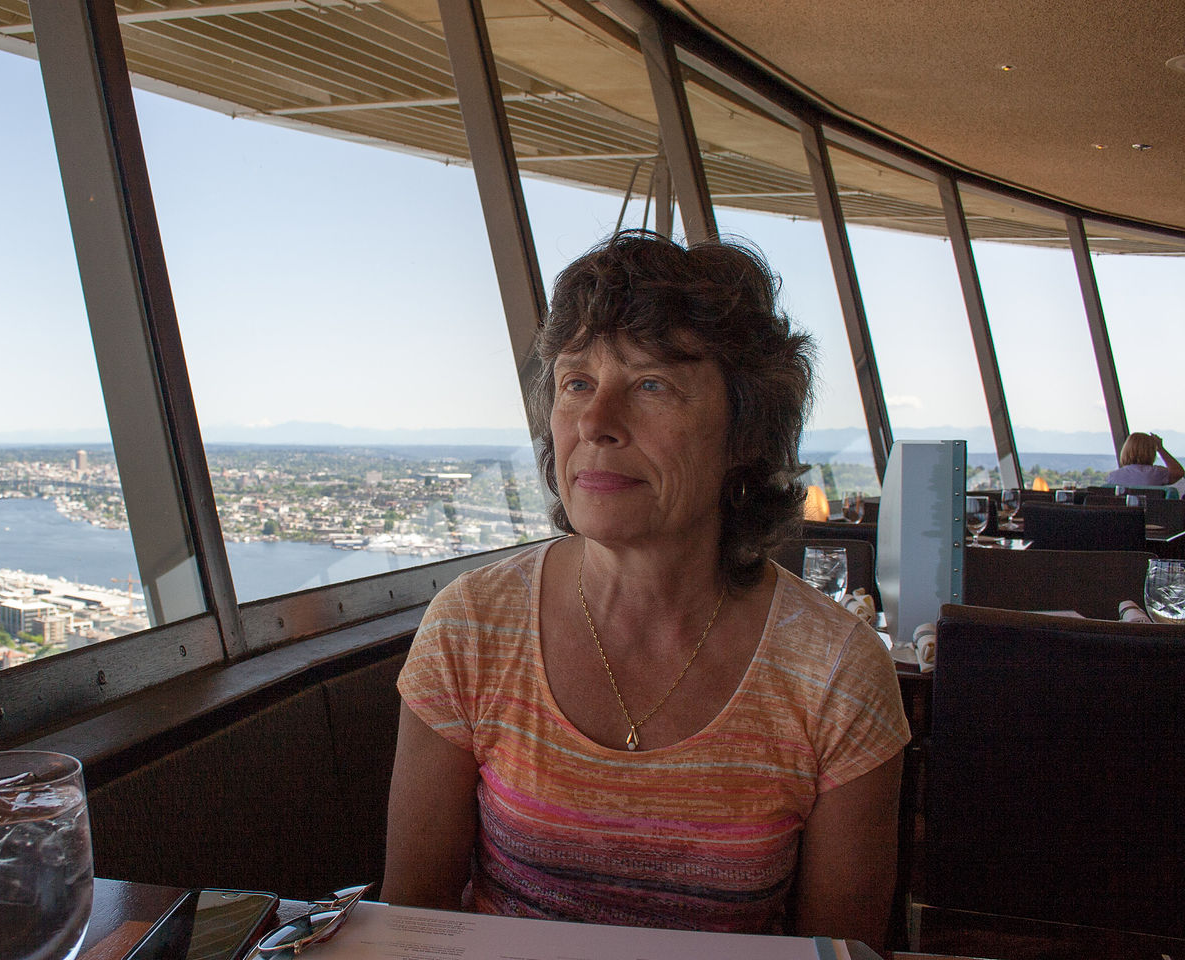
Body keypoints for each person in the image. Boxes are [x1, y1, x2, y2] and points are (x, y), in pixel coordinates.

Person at [382, 232, 909, 950]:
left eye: (651, 384)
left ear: (746, 433)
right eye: (576, 384)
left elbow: (835, 954)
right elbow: (410, 926)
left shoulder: (836, 671)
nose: (595, 424)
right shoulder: (472, 626)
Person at [1105, 432, 1183, 487]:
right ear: (1151, 452)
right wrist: (1160, 448)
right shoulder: (1157, 473)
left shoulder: (1113, 477)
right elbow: (1179, 472)